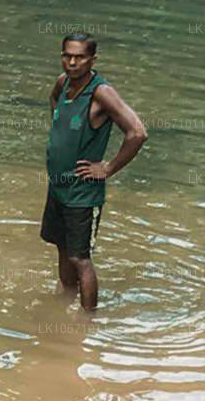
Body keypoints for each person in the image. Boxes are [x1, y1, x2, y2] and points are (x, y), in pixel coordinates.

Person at [42, 32, 146, 311]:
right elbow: (54, 102)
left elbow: (137, 132)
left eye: (80, 57)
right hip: (58, 187)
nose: (72, 62)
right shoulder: (63, 84)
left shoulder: (101, 93)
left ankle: (87, 323)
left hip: (82, 193)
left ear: (92, 59)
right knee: (62, 248)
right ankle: (64, 301)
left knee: (80, 259)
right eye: (67, 56)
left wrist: (109, 167)